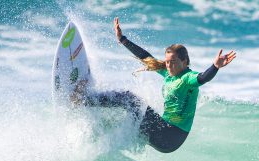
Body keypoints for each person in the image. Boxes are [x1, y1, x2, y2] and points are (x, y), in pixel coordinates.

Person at [83, 17, 236, 153]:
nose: (168, 65)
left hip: (170, 135)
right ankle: (97, 136)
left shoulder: (188, 78)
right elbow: (146, 57)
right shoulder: (168, 72)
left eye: (173, 62)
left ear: (184, 62)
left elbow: (203, 78)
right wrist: (123, 39)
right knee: (119, 117)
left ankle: (84, 99)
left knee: (131, 100)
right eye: (167, 61)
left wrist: (215, 67)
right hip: (163, 132)